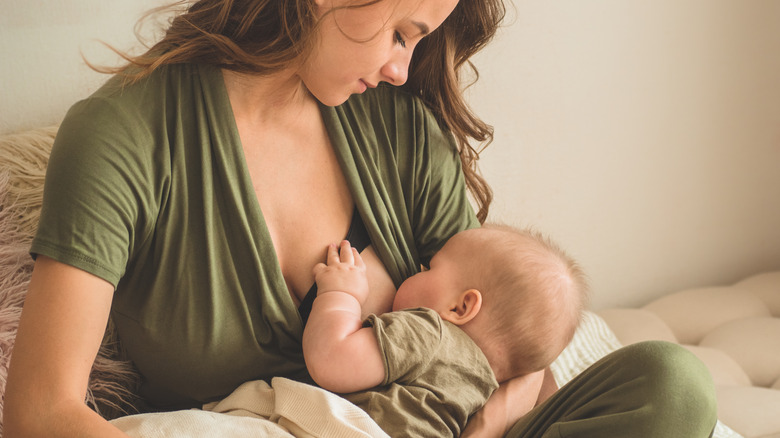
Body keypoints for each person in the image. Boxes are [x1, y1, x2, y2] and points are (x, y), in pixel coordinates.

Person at [3, 0, 717, 437]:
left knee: (669, 383)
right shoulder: (125, 135)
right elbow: (38, 414)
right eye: (402, 32)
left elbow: (506, 353)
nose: (404, 69)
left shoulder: (401, 132)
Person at [303, 226, 588, 437]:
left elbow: (330, 359)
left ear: (461, 307)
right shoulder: (483, 389)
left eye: (429, 268)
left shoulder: (430, 332)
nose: (416, 270)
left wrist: (341, 292)